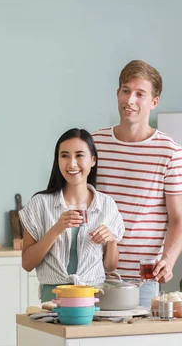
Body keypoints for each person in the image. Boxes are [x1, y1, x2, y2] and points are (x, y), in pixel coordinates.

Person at [92, 60, 182, 307]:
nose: (130, 100)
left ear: (154, 102)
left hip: (143, 280)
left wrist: (168, 259)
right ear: (117, 94)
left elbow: (178, 220)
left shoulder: (171, 152)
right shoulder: (94, 144)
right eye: (126, 91)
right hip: (93, 274)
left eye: (140, 94)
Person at [20, 128, 124, 302]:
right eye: (65, 156)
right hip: (53, 298)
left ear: (93, 160)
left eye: (79, 155)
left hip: (94, 296)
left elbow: (110, 266)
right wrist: (56, 229)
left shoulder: (107, 205)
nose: (72, 163)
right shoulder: (40, 203)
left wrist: (111, 239)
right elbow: (27, 264)